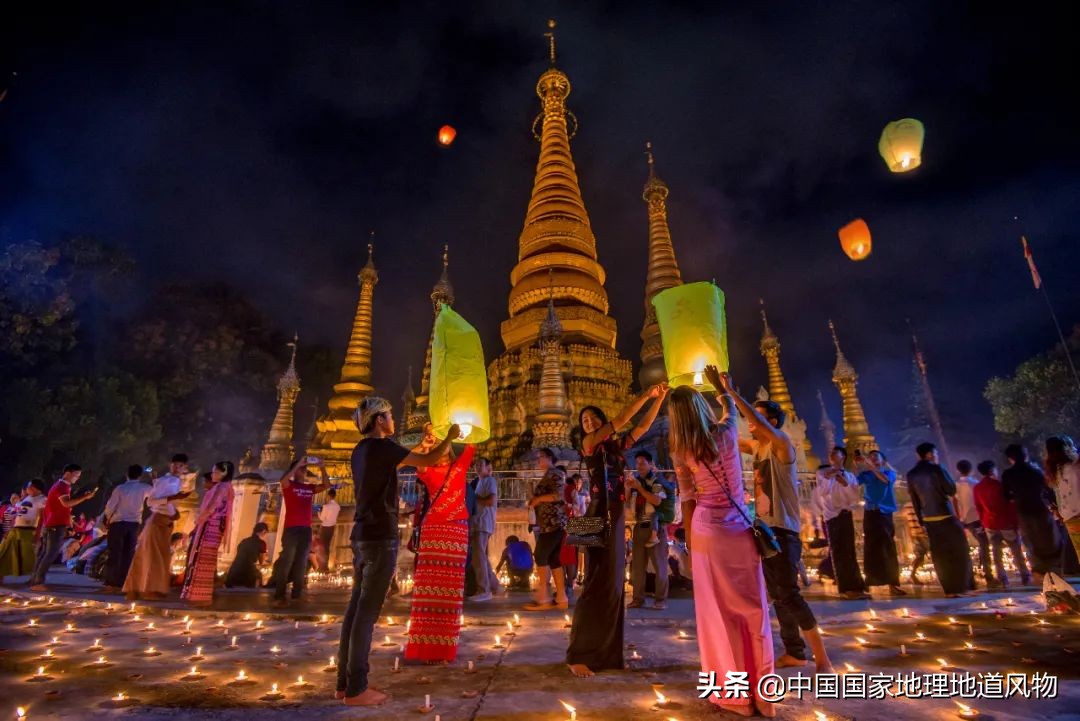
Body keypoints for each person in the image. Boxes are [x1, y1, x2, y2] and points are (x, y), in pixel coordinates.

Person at [337, 396, 459, 706]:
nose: (393, 420)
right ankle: (357, 689)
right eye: (389, 415)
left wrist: (427, 440)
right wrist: (450, 438)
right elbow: (430, 461)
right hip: (380, 536)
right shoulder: (383, 448)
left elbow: (411, 455)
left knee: (354, 611)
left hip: (361, 535)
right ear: (379, 421)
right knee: (366, 614)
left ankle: (344, 684)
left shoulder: (361, 450)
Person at [669, 379, 776, 717]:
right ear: (702, 408)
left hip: (706, 532)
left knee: (718, 616)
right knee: (754, 610)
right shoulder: (728, 432)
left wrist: (687, 542)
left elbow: (687, 500)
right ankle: (766, 697)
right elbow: (731, 410)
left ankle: (736, 698)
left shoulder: (681, 451)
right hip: (740, 526)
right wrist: (722, 389)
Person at [718, 369, 832, 674]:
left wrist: (730, 392)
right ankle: (794, 651)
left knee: (789, 594)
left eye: (759, 418)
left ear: (771, 423)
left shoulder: (782, 445)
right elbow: (729, 435)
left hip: (783, 530)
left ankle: (823, 658)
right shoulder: (758, 448)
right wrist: (707, 408)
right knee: (778, 595)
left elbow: (755, 424)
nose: (753, 423)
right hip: (765, 529)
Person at [566, 384, 667, 678]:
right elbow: (623, 417)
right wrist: (646, 395)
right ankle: (578, 654)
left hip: (616, 512)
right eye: (584, 421)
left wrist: (659, 399)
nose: (588, 423)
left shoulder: (615, 447)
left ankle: (608, 654)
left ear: (601, 418)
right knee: (596, 581)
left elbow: (643, 426)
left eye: (592, 418)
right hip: (597, 512)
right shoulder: (590, 443)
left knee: (612, 584)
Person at [404, 423, 476, 663]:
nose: (439, 449)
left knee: (450, 595)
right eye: (436, 447)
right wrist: (437, 441)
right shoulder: (426, 470)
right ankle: (424, 648)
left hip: (457, 530)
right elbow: (419, 460)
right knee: (428, 592)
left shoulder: (459, 467)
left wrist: (465, 422)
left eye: (442, 446)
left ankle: (444, 649)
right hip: (435, 529)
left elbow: (472, 445)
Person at [906, 443, 973, 597]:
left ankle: (949, 589)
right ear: (930, 454)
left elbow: (915, 500)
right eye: (935, 454)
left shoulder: (912, 474)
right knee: (959, 550)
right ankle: (962, 586)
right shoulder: (937, 468)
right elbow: (951, 489)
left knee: (939, 555)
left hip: (929, 518)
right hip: (946, 515)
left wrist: (921, 521)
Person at [125, 454, 192, 601]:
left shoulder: (176, 482)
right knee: (153, 556)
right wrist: (173, 500)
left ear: (185, 468)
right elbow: (151, 502)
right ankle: (148, 589)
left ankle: (146, 588)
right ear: (170, 465)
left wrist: (174, 513)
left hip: (165, 521)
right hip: (158, 520)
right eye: (175, 464)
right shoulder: (165, 480)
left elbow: (169, 505)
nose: (177, 468)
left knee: (159, 555)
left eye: (180, 466)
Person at [272, 456, 330, 607]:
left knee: (301, 562)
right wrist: (298, 463)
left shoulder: (308, 488)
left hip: (305, 529)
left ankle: (297, 594)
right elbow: (283, 481)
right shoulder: (289, 485)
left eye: (305, 469)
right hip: (291, 529)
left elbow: (326, 485)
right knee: (287, 561)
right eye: (301, 469)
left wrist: (322, 466)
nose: (304, 471)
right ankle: (279, 595)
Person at [29, 464, 97, 591]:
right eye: (76, 475)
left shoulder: (58, 485)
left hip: (50, 523)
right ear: (68, 473)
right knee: (50, 553)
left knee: (44, 553)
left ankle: (34, 579)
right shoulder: (62, 486)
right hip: (55, 524)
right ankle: (38, 582)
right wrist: (85, 497)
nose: (77, 478)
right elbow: (66, 503)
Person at [813, 447, 868, 600]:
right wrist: (833, 475)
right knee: (838, 552)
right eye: (829, 453)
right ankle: (845, 587)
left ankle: (857, 586)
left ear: (843, 456)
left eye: (834, 453)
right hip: (832, 516)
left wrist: (844, 483)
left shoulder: (849, 476)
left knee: (850, 551)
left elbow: (853, 496)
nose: (830, 455)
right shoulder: (822, 473)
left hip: (845, 513)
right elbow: (824, 491)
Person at [1002, 444, 1062, 584]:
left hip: (1023, 511)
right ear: (1025, 455)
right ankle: (1053, 570)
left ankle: (1038, 571)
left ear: (1010, 458)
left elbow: (1006, 496)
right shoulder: (1035, 471)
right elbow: (1048, 489)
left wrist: (1016, 496)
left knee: (1031, 541)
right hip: (1040, 509)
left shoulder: (1008, 474)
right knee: (1049, 539)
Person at [180, 461, 236, 606]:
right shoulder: (228, 487)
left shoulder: (221, 487)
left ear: (224, 473)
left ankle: (197, 596)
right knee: (207, 561)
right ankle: (201, 596)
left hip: (210, 526)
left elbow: (211, 507)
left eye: (215, 472)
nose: (213, 475)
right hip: (216, 528)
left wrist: (200, 519)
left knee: (201, 559)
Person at [973, 460, 1031, 588]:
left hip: (989, 524)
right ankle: (1024, 575)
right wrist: (1015, 523)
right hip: (1006, 523)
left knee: (996, 552)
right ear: (992, 470)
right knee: (1016, 550)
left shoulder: (977, 488)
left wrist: (983, 522)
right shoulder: (999, 485)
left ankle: (1002, 578)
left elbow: (978, 507)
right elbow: (1010, 506)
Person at [854, 450, 905, 595]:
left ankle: (892, 583)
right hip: (870, 511)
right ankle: (870, 582)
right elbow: (854, 483)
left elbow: (885, 480)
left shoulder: (889, 473)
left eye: (876, 457)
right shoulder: (867, 475)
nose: (872, 459)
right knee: (870, 546)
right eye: (870, 457)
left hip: (884, 512)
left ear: (883, 460)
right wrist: (856, 465)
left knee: (887, 546)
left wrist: (871, 466)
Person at [525, 447, 568, 611]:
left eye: (540, 457)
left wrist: (538, 500)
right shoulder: (550, 474)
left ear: (549, 457)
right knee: (553, 559)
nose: (538, 460)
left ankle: (544, 597)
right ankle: (561, 597)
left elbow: (558, 496)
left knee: (540, 555)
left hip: (553, 522)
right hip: (549, 523)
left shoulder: (555, 473)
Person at [627, 450, 671, 610]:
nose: (639, 466)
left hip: (656, 527)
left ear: (650, 464)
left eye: (642, 463)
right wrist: (628, 488)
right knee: (637, 567)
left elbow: (657, 501)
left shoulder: (657, 480)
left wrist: (639, 488)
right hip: (639, 526)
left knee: (659, 565)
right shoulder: (636, 481)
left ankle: (660, 600)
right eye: (637, 463)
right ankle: (638, 598)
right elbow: (628, 502)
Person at [101, 465, 152, 592]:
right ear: (140, 475)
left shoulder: (120, 488)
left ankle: (111, 582)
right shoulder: (144, 488)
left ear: (126, 474)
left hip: (118, 522)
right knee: (128, 553)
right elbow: (155, 492)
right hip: (134, 523)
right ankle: (124, 581)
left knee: (115, 552)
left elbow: (110, 507)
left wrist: (107, 517)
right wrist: (154, 478)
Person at [954, 459, 992, 589]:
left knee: (974, 546)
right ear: (971, 470)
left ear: (958, 471)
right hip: (977, 518)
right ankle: (988, 574)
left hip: (964, 519)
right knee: (984, 544)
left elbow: (955, 502)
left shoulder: (956, 485)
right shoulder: (975, 484)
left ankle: (976, 571)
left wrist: (959, 517)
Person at [0, 480, 47, 579]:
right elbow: (17, 515)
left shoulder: (42, 499)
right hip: (15, 530)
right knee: (3, 552)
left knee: (27, 558)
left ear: (34, 488)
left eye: (29, 487)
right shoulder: (26, 499)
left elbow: (41, 518)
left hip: (28, 530)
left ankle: (35, 580)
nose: (27, 489)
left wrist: (38, 534)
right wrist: (9, 530)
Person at [469, 456, 500, 602]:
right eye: (476, 464)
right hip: (478, 523)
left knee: (478, 558)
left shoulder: (490, 480)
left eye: (481, 464)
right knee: (481, 557)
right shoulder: (480, 482)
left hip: (483, 523)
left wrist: (473, 499)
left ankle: (484, 590)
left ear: (489, 467)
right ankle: (494, 586)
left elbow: (491, 501)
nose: (477, 466)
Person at [1045, 436, 1080, 561]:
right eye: (1072, 446)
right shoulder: (1074, 467)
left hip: (1069, 518)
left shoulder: (1055, 472)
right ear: (1067, 449)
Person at [225, 522, 269, 588]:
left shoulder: (244, 541)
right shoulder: (262, 543)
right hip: (248, 573)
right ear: (263, 531)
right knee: (259, 576)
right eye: (265, 533)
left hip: (234, 572)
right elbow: (261, 562)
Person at [900, 501, 930, 584]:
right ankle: (913, 574)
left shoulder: (906, 506)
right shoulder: (921, 503)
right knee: (927, 554)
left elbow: (905, 519)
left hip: (915, 533)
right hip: (924, 533)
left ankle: (913, 574)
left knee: (920, 555)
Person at [318, 488, 341, 572]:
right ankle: (326, 566)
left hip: (324, 527)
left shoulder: (326, 506)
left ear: (328, 496)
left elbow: (322, 518)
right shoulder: (338, 506)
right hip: (332, 527)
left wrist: (318, 512)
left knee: (322, 547)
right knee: (327, 546)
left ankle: (322, 567)